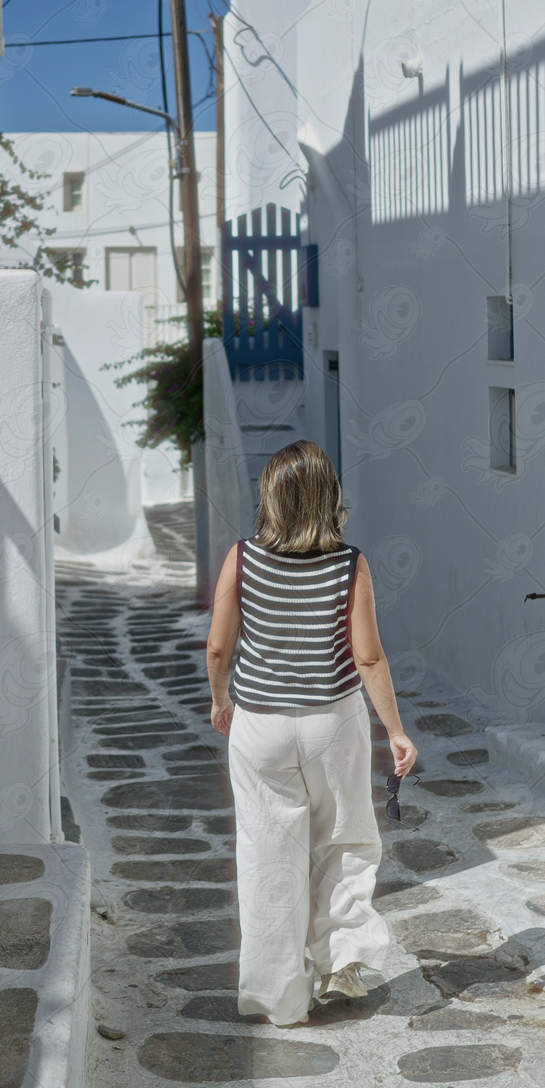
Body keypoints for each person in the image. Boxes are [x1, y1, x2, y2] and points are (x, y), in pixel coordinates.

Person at [206, 439, 417, 1028]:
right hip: (333, 721)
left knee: (268, 856)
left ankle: (278, 1000)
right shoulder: (350, 565)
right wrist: (396, 731)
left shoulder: (242, 559)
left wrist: (221, 699)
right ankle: (343, 957)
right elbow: (368, 658)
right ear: (330, 498)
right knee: (344, 839)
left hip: (260, 726)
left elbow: (219, 646)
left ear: (271, 497)